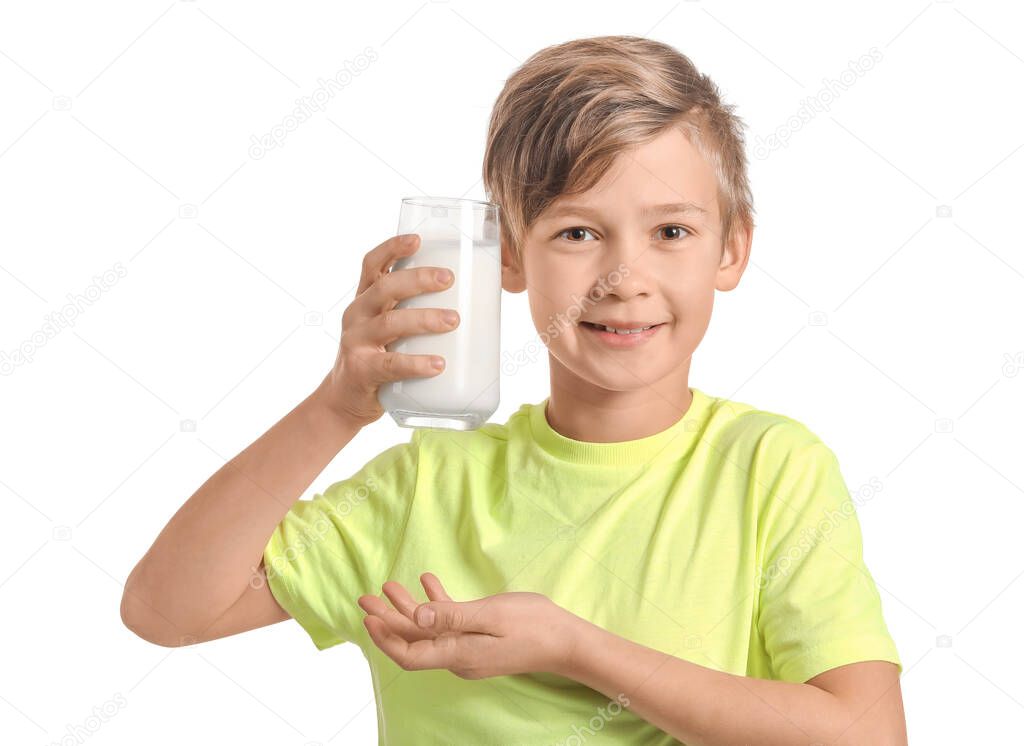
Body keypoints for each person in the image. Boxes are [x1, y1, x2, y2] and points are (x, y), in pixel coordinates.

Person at [121, 34, 906, 744]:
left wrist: (580, 649)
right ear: (508, 260)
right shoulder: (427, 483)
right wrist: (335, 408)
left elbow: (867, 736)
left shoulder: (769, 468)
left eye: (671, 232)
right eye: (577, 233)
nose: (625, 280)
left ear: (729, 251)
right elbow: (166, 612)